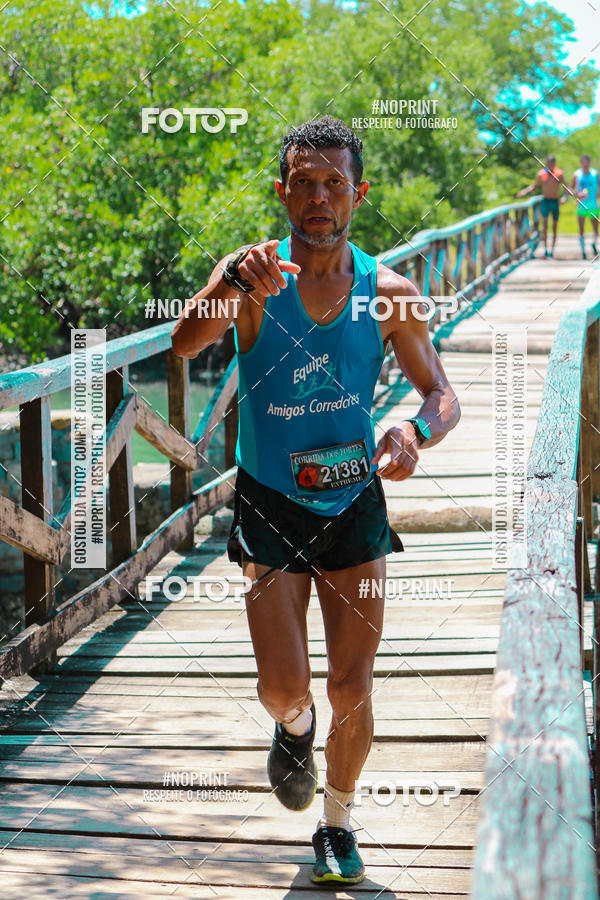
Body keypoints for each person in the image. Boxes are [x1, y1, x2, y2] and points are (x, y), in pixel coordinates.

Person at [172, 116, 460, 885]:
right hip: (269, 498)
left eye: (334, 182)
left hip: (355, 501)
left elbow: (441, 394)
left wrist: (412, 430)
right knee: (286, 686)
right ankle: (292, 730)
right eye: (304, 181)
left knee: (353, 685)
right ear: (283, 191)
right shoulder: (257, 277)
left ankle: (336, 824)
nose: (319, 197)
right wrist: (227, 281)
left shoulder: (389, 296)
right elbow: (185, 345)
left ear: (359, 194)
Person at [517, 155, 567, 258]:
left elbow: (566, 187)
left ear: (554, 164)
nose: (550, 166)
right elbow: (534, 186)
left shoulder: (559, 174)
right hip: (545, 201)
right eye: (548, 164)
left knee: (554, 226)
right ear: (546, 164)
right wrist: (524, 191)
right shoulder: (541, 174)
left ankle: (552, 250)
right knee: (544, 225)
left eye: (552, 164)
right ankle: (545, 250)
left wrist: (565, 198)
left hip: (555, 201)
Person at [564, 154, 599, 259]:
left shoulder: (595, 173)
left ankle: (594, 243)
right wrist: (576, 194)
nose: (585, 164)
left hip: (593, 205)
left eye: (587, 162)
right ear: (581, 163)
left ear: (589, 162)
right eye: (583, 162)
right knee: (581, 228)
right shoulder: (577, 174)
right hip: (581, 205)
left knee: (596, 228)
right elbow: (570, 188)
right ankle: (583, 251)